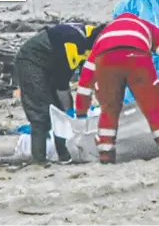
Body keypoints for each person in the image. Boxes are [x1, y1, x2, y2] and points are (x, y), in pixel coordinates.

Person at [74, 12, 159, 164]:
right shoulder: (145, 26)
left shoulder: (103, 37)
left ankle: (106, 154)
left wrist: (81, 112)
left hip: (105, 59)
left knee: (109, 109)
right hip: (137, 55)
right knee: (152, 107)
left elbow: (86, 78)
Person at [13, 22, 107, 165]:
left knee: (58, 113)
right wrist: (69, 110)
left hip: (51, 65)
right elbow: (62, 84)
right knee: (41, 113)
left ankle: (64, 155)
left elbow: (87, 77)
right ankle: (39, 160)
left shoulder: (88, 41)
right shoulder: (73, 43)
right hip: (31, 62)